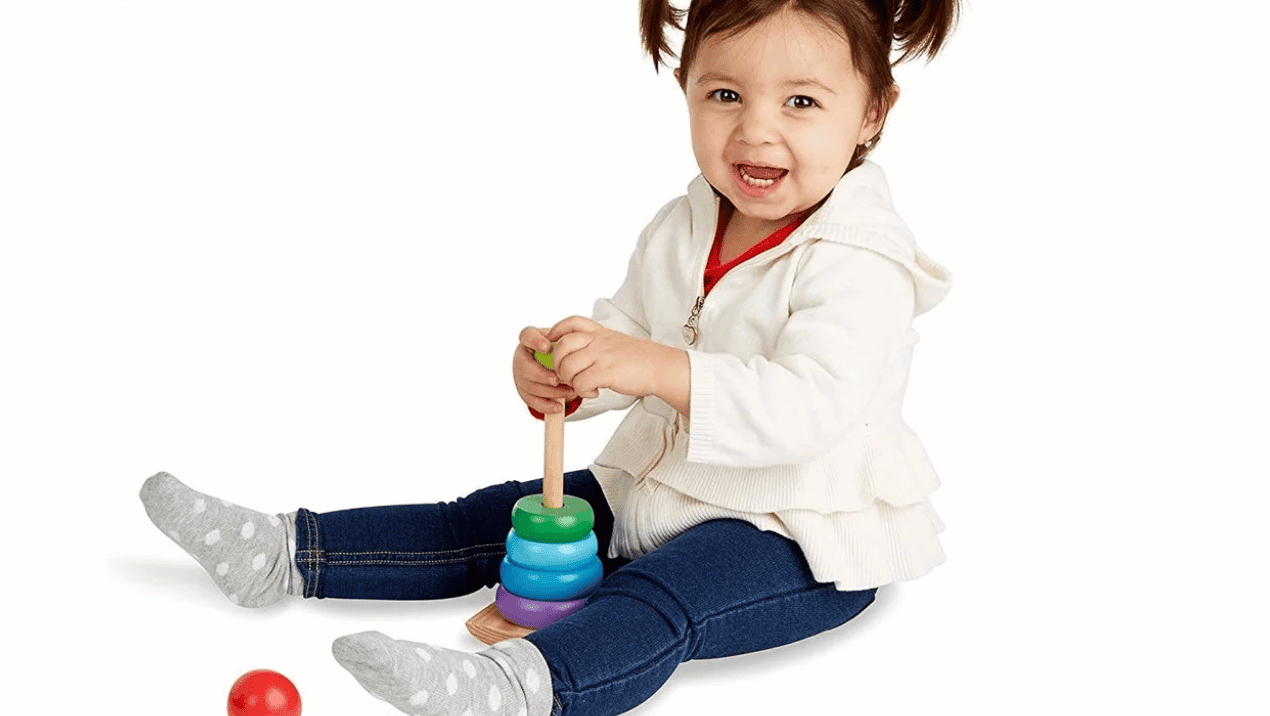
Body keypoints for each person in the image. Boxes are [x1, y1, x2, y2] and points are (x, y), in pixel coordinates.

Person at [139, 1, 960, 714]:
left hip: (796, 532)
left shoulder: (860, 259)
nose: (756, 129)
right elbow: (631, 325)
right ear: (686, 93)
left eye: (803, 101)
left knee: (655, 598)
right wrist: (568, 369)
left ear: (871, 114)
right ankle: (286, 553)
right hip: (657, 490)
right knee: (495, 518)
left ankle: (516, 689)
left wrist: (649, 366)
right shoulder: (685, 222)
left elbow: (808, 406)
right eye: (724, 94)